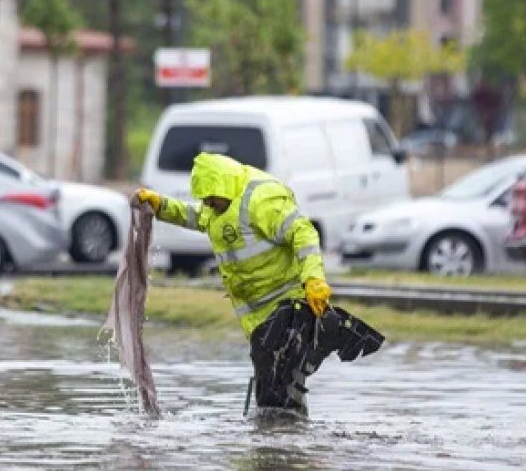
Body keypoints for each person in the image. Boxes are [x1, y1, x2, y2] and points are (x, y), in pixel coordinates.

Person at [136, 153, 381, 415]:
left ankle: (279, 445)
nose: (207, 203)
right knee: (277, 385)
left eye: (210, 198)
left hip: (288, 305)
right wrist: (161, 206)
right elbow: (196, 217)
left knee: (275, 383)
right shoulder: (218, 207)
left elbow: (303, 232)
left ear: (223, 186)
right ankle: (284, 443)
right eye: (204, 199)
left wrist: (314, 279)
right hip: (257, 317)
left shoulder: (261, 201)